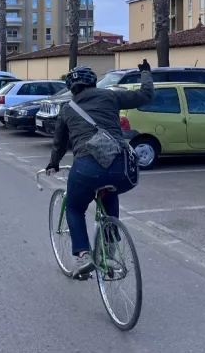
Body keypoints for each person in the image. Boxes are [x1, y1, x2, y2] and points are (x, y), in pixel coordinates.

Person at [46, 60, 154, 278]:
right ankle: (110, 254)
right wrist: (145, 73)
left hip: (87, 167)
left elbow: (59, 143)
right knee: (110, 193)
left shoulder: (67, 109)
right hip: (121, 167)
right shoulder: (111, 96)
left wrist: (53, 162)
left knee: (75, 208)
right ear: (94, 83)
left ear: (71, 89)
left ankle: (84, 256)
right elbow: (145, 95)